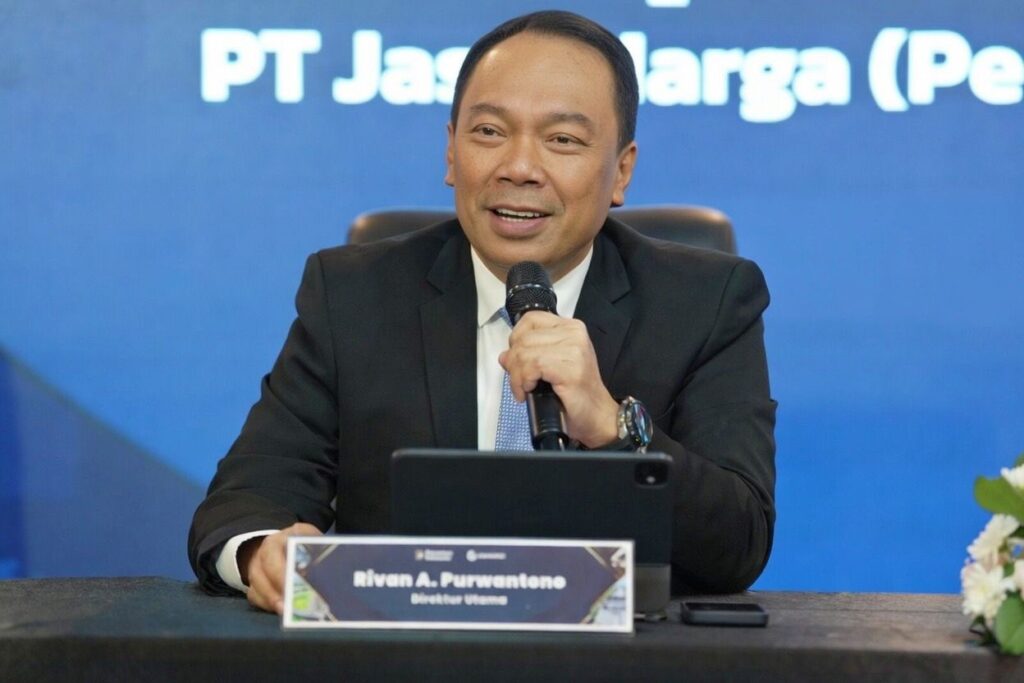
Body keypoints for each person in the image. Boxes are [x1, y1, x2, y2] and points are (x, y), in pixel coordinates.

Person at [188, 10, 776, 615]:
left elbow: (738, 543)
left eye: (562, 140)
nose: (518, 168)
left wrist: (612, 427)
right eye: (490, 132)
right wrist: (262, 552)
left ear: (621, 169)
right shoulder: (353, 296)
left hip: (621, 658)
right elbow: (249, 495)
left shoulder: (708, 303)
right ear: (451, 151)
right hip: (405, 651)